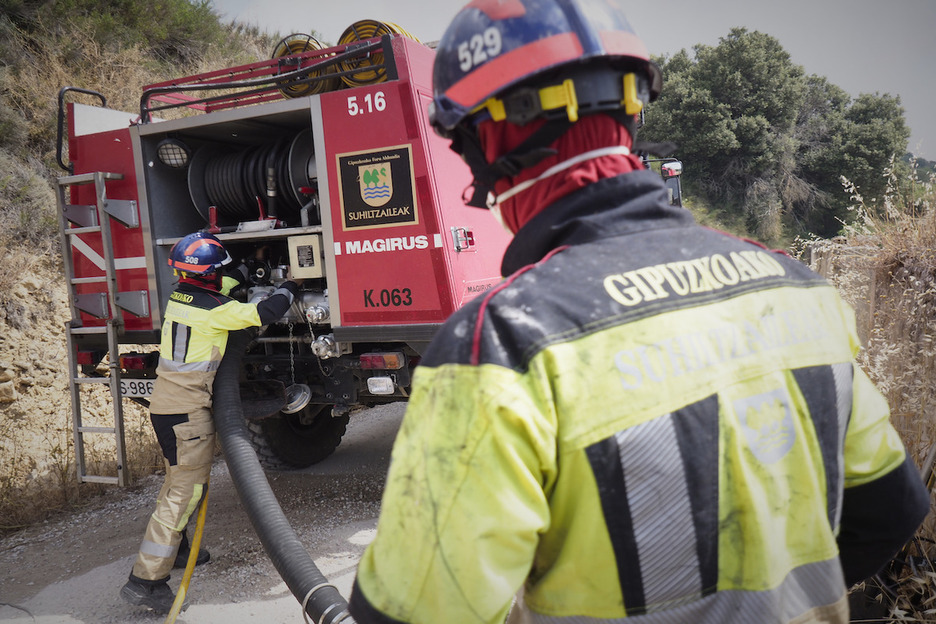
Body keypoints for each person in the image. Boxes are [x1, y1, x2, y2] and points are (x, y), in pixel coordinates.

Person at [348, 1, 931, 622]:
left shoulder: (502, 342)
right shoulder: (799, 290)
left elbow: (416, 612)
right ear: (631, 108)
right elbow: (888, 511)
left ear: (485, 145)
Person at [120, 231, 300, 613]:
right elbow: (266, 312)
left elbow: (221, 285)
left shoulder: (180, 298)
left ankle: (181, 553)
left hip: (166, 406)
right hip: (188, 414)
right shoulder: (218, 311)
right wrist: (289, 287)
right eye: (219, 273)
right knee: (183, 494)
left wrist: (244, 272)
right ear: (210, 275)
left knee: (176, 482)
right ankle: (146, 581)